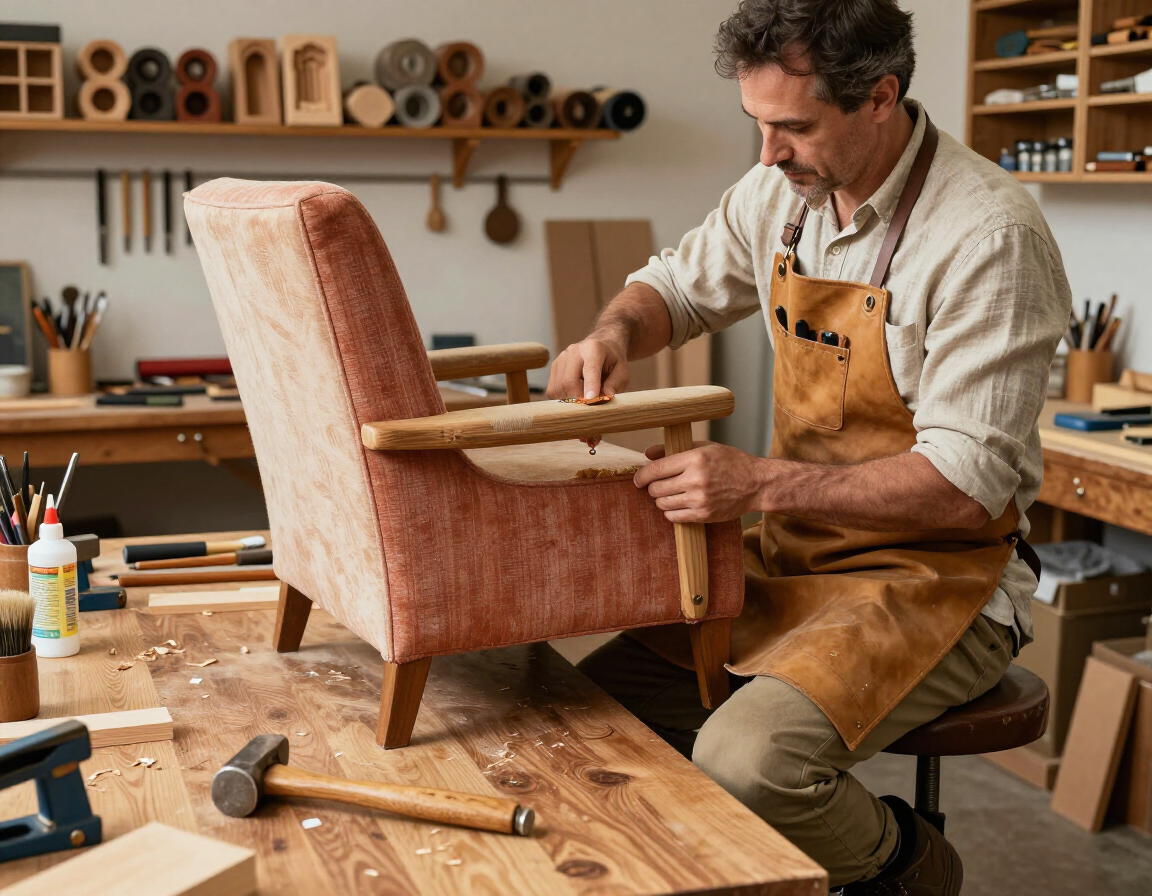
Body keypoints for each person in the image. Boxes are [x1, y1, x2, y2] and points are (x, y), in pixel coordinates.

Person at [546, 1, 1071, 893]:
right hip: (796, 555)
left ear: (880, 97)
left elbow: (963, 489)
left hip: (937, 578)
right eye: (757, 123)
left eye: (793, 126)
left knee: (748, 763)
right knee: (588, 713)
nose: (768, 153)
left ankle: (907, 865)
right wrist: (613, 335)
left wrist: (751, 483)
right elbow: (671, 287)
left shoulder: (988, 236)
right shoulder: (779, 196)